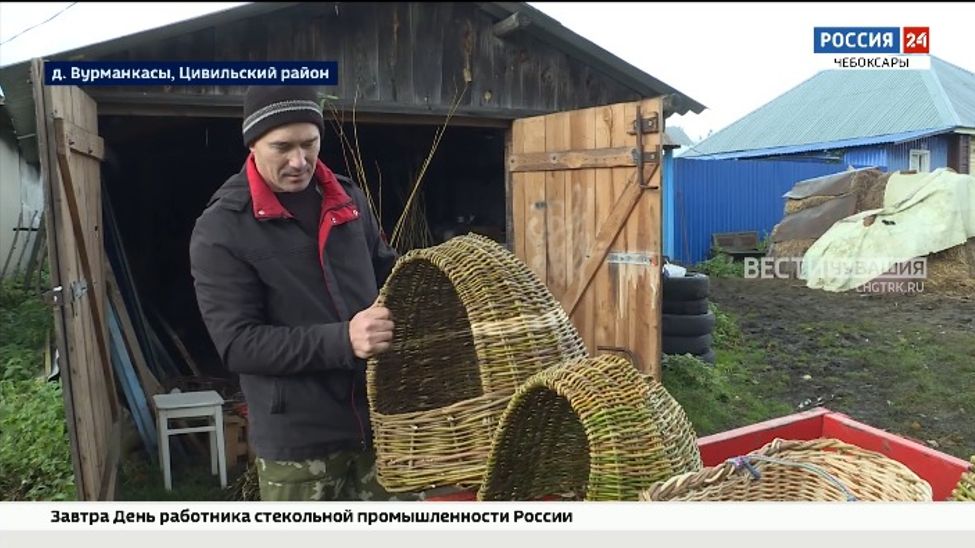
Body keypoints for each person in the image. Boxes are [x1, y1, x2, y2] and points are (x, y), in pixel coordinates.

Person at [189, 85, 401, 501]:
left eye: (310, 143)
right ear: (253, 143)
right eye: (282, 147)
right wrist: (344, 339)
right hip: (299, 445)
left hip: (381, 423)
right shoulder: (222, 228)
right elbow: (239, 345)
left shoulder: (348, 198)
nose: (299, 161)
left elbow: (387, 271)